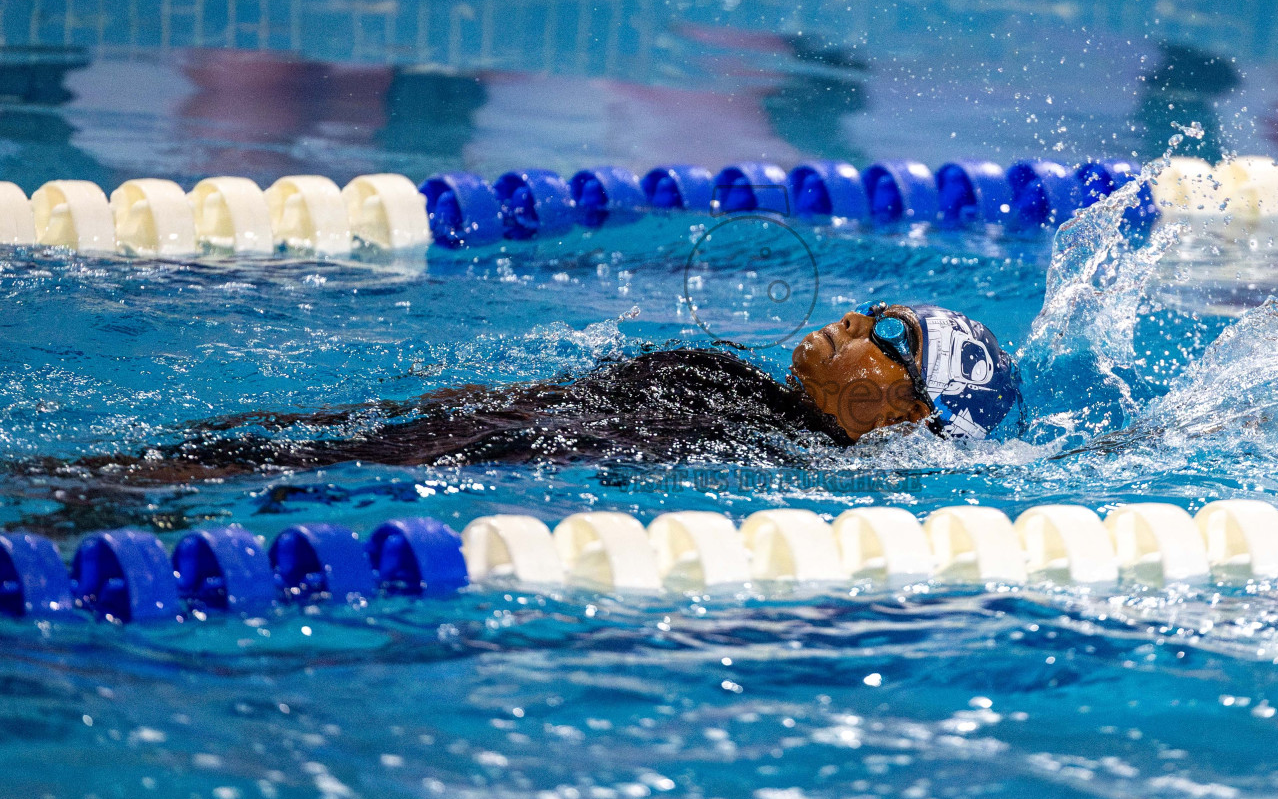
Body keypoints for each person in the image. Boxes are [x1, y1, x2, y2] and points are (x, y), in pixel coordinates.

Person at [21, 302, 1022, 487]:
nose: (852, 324)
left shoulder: (791, 468)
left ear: (906, 414)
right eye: (868, 312)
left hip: (507, 455)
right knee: (277, 439)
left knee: (292, 466)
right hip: (500, 419)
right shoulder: (734, 382)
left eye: (888, 340)